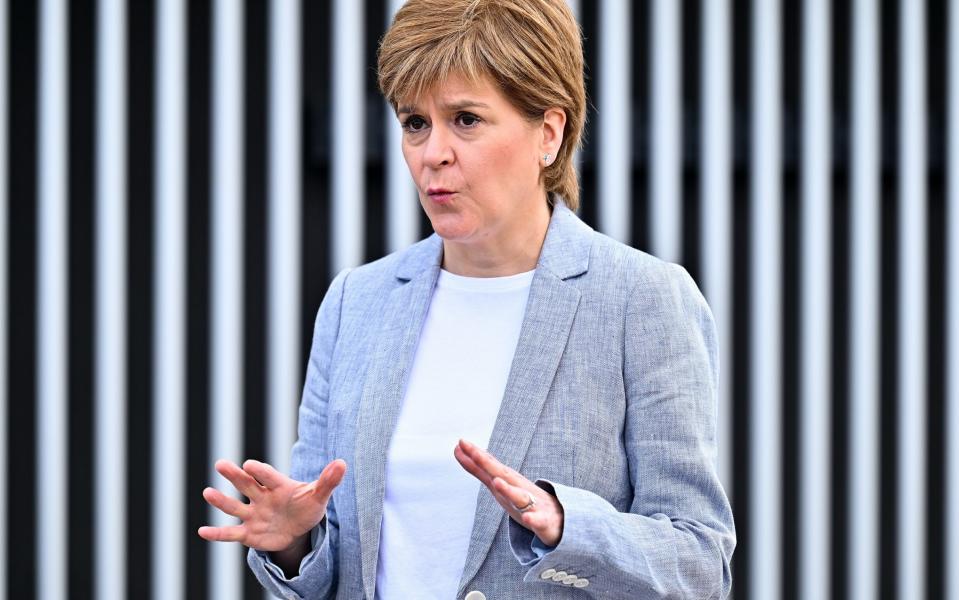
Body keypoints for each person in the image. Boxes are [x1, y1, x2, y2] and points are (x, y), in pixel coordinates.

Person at [199, 0, 736, 598]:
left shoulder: (642, 300)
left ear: (549, 134)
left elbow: (698, 559)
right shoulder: (358, 302)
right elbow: (326, 547)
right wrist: (295, 543)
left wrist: (567, 527)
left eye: (467, 120)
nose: (433, 154)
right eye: (415, 123)